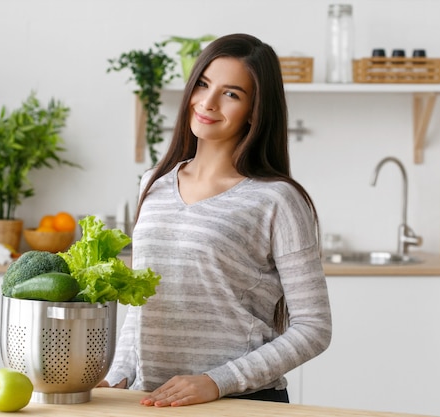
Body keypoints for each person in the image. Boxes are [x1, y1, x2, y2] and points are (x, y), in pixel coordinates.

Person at [99, 33, 332, 407]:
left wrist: (216, 382)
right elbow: (144, 309)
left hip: (243, 402)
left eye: (232, 93)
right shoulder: (153, 183)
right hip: (153, 400)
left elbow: (314, 328)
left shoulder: (277, 199)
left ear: (255, 110)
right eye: (203, 85)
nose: (207, 102)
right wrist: (118, 374)